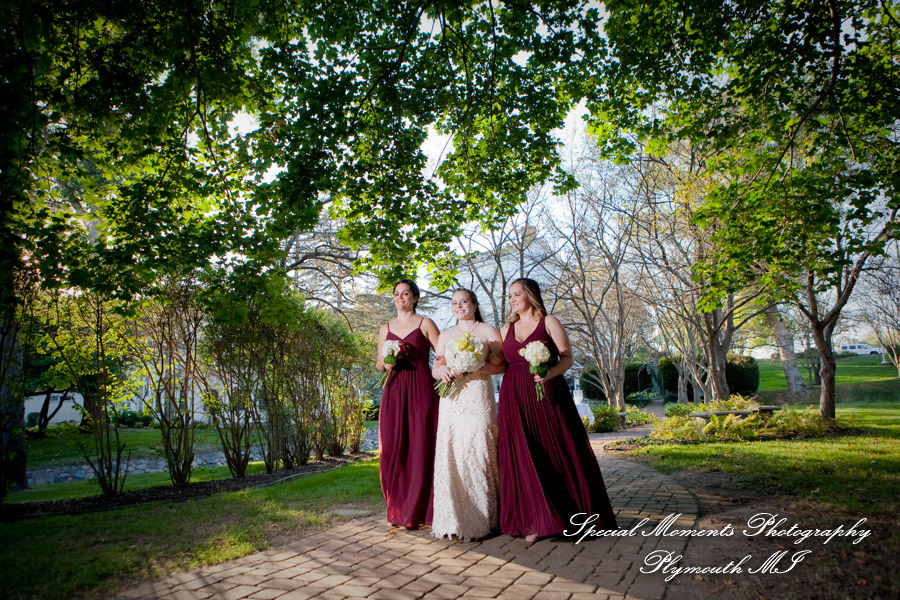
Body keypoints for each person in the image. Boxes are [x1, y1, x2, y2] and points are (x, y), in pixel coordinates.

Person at [498, 278, 618, 542]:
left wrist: (549, 373)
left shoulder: (548, 322)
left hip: (547, 393)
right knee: (523, 454)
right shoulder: (506, 328)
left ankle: (569, 515)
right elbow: (500, 363)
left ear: (530, 295)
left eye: (517, 294)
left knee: (555, 450)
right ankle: (534, 520)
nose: (512, 300)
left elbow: (567, 357)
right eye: (510, 296)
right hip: (514, 396)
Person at [430, 289, 506, 541]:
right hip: (452, 398)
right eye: (454, 303)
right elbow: (436, 367)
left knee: (478, 447)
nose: (459, 306)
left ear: (474, 304)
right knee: (453, 450)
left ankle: (485, 517)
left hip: (478, 396)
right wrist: (441, 373)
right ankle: (454, 518)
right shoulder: (445, 335)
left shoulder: (488, 331)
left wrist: (476, 365)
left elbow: (501, 366)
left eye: (464, 301)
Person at [376, 279, 441, 529]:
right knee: (393, 445)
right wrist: (386, 363)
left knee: (422, 443)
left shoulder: (426, 323)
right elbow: (379, 363)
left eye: (405, 294)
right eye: (396, 294)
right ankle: (399, 506)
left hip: (421, 387)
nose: (400, 298)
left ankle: (422, 507)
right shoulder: (385, 328)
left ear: (415, 297)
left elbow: (442, 354)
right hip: (395, 389)